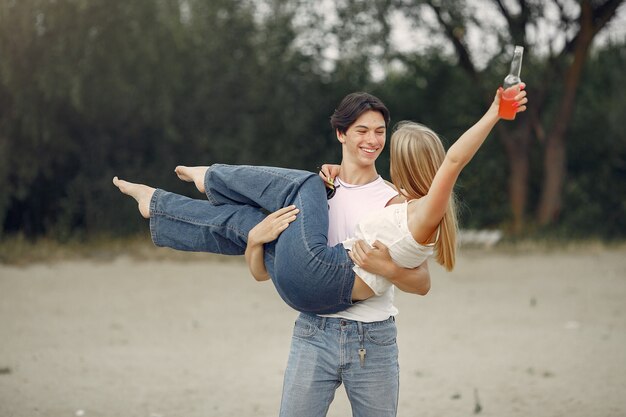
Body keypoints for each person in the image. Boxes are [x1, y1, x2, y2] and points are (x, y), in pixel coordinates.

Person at [113, 86, 527, 416]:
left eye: (381, 134)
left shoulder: (405, 205)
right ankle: (164, 201)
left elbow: (422, 280)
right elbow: (260, 274)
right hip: (313, 323)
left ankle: (199, 184)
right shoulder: (350, 195)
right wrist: (256, 241)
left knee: (299, 187)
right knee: (250, 223)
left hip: (367, 331)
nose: (374, 141)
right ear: (341, 134)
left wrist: (494, 111)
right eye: (363, 130)